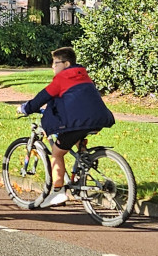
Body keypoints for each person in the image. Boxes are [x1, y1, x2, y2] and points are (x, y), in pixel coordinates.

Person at [17, 46, 115, 208]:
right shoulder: (83, 75)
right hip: (98, 118)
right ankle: (83, 160)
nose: (52, 67)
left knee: (56, 153)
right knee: (75, 135)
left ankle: (58, 192)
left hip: (78, 123)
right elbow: (72, 101)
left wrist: (25, 108)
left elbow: (42, 97)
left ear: (67, 64)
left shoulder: (62, 79)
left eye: (56, 63)